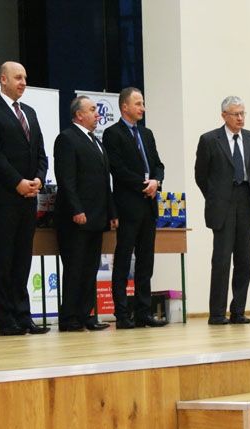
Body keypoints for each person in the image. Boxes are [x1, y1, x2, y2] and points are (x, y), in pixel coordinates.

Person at [0, 61, 49, 335]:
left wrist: (39, 178)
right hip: (4, 198)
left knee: (22, 260)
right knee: (4, 260)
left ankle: (23, 316)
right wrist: (17, 182)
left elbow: (40, 152)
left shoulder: (29, 112)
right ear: (3, 79)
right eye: (18, 77)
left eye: (25, 78)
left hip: (28, 198)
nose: (23, 82)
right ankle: (6, 319)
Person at [102, 87, 167, 329]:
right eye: (138, 104)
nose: (143, 108)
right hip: (128, 205)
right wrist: (144, 184)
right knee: (123, 260)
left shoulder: (147, 134)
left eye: (143, 103)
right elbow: (118, 169)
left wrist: (156, 181)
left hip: (149, 206)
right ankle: (121, 314)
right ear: (124, 107)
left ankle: (143, 312)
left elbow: (158, 164)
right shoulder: (112, 134)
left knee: (145, 262)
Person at [54, 96, 118, 332]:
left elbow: (104, 182)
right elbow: (66, 179)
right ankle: (69, 317)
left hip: (97, 217)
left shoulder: (96, 141)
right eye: (92, 110)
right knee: (75, 268)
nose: (97, 114)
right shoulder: (67, 138)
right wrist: (76, 209)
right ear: (79, 115)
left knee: (90, 269)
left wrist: (112, 212)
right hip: (76, 218)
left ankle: (85, 314)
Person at [194, 96, 250, 325]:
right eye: (235, 114)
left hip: (246, 201)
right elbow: (201, 175)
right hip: (222, 204)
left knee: (244, 261)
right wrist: (215, 197)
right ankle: (217, 313)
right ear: (224, 116)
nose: (240, 118)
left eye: (243, 113)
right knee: (221, 260)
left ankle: (238, 311)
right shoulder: (210, 140)